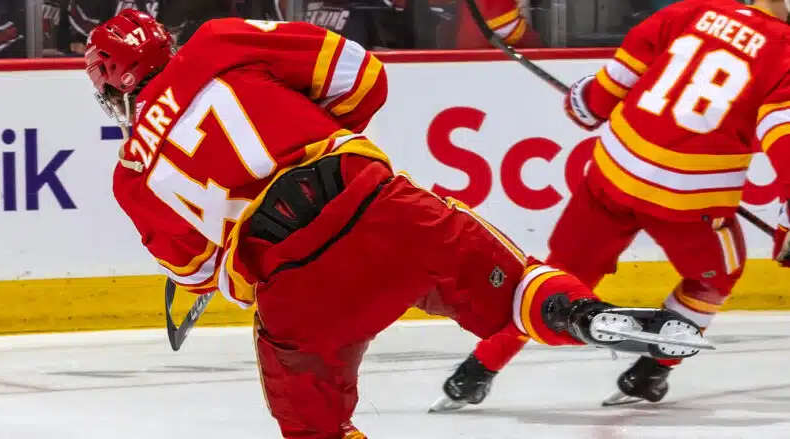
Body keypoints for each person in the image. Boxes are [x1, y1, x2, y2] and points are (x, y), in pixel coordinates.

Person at [88, 10, 709, 438]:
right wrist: (326, 134)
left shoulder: (131, 175)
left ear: (110, 86)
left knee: (313, 427)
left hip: (291, 279)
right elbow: (362, 76)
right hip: (375, 204)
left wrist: (257, 277)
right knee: (516, 287)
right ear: (164, 41)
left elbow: (203, 275)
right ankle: (581, 315)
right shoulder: (219, 43)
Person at [438, 0, 790, 410]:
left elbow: (597, 99)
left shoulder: (691, 11)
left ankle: (476, 371)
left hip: (611, 175)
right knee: (717, 276)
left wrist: (583, 102)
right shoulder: (783, 54)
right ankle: (652, 371)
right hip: (690, 200)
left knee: (554, 279)